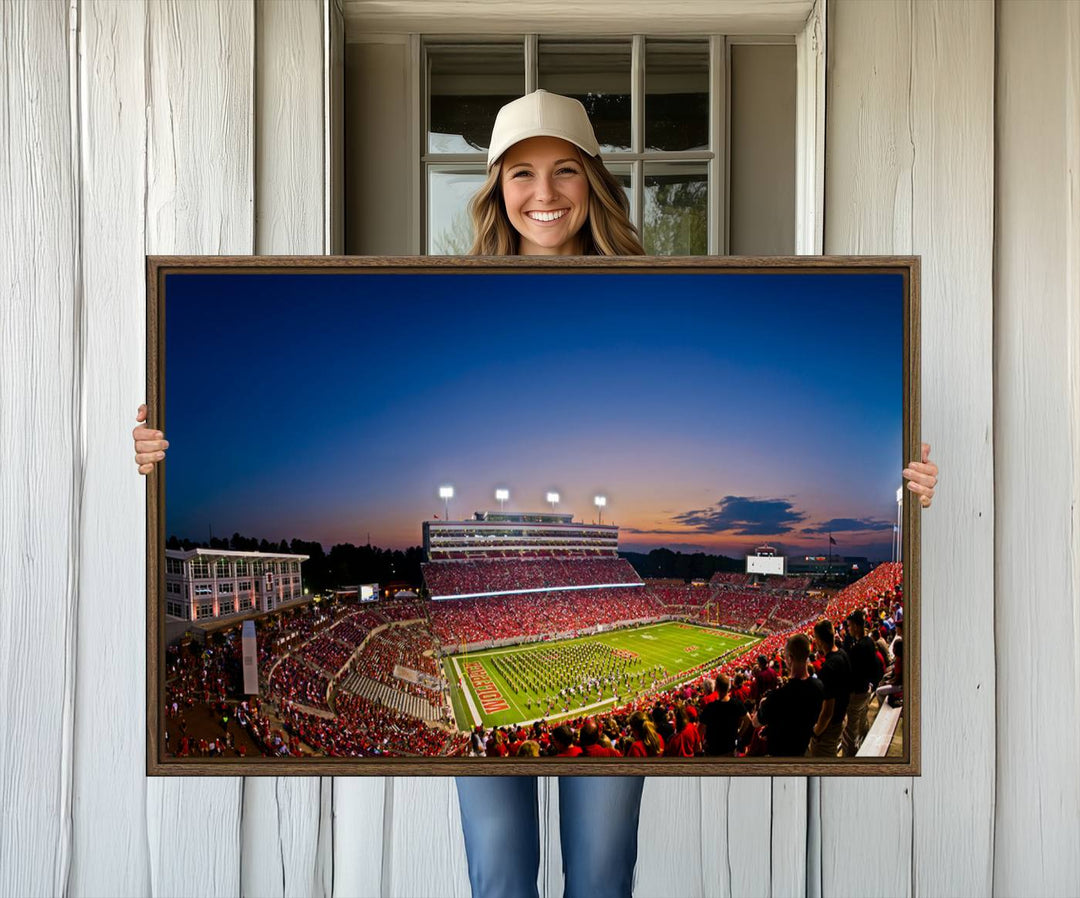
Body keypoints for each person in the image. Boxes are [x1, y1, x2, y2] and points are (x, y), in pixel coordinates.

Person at [133, 88, 940, 898]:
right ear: (496, 188)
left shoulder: (649, 293)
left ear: (593, 180)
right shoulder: (448, 295)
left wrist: (909, 491)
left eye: (564, 171)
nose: (544, 193)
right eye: (521, 173)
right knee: (501, 877)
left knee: (599, 876)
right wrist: (161, 448)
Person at [754, 634, 825, 757]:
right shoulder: (818, 686)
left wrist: (762, 704)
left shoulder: (777, 697)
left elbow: (756, 722)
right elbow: (796, 719)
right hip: (803, 748)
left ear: (790, 659)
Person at [808, 619, 852, 757]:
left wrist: (816, 732)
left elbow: (827, 710)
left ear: (819, 640)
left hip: (829, 726)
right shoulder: (843, 654)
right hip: (841, 717)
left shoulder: (828, 668)